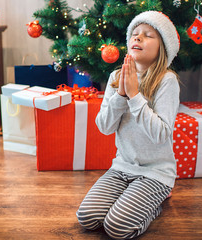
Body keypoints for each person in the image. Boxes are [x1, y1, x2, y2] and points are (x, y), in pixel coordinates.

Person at [76, 11, 180, 239]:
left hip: (155, 173)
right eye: (135, 34)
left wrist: (134, 96)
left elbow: (161, 134)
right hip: (121, 168)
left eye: (148, 35)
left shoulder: (166, 80)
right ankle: (133, 199)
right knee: (87, 218)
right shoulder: (116, 76)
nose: (138, 38)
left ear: (163, 47)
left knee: (117, 228)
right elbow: (104, 127)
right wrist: (120, 94)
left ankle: (156, 203)